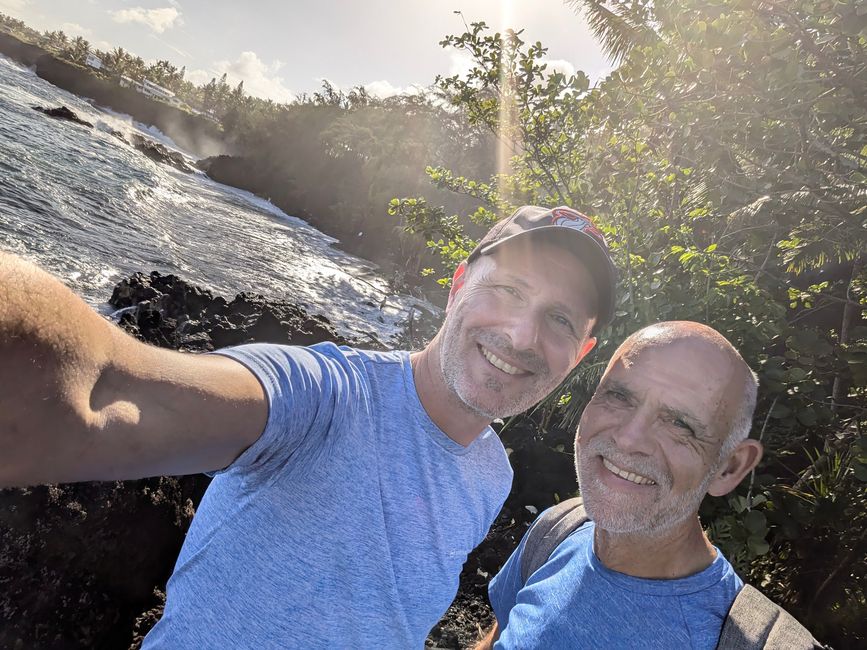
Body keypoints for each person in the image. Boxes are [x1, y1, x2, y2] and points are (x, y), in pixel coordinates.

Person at [0, 205, 617, 647]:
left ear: (581, 353)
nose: (522, 335)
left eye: (559, 320)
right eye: (508, 290)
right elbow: (106, 393)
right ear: (458, 287)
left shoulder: (492, 474)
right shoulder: (324, 395)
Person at [477, 321, 821, 649]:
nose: (628, 438)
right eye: (618, 396)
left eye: (679, 423)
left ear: (728, 468)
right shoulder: (558, 530)